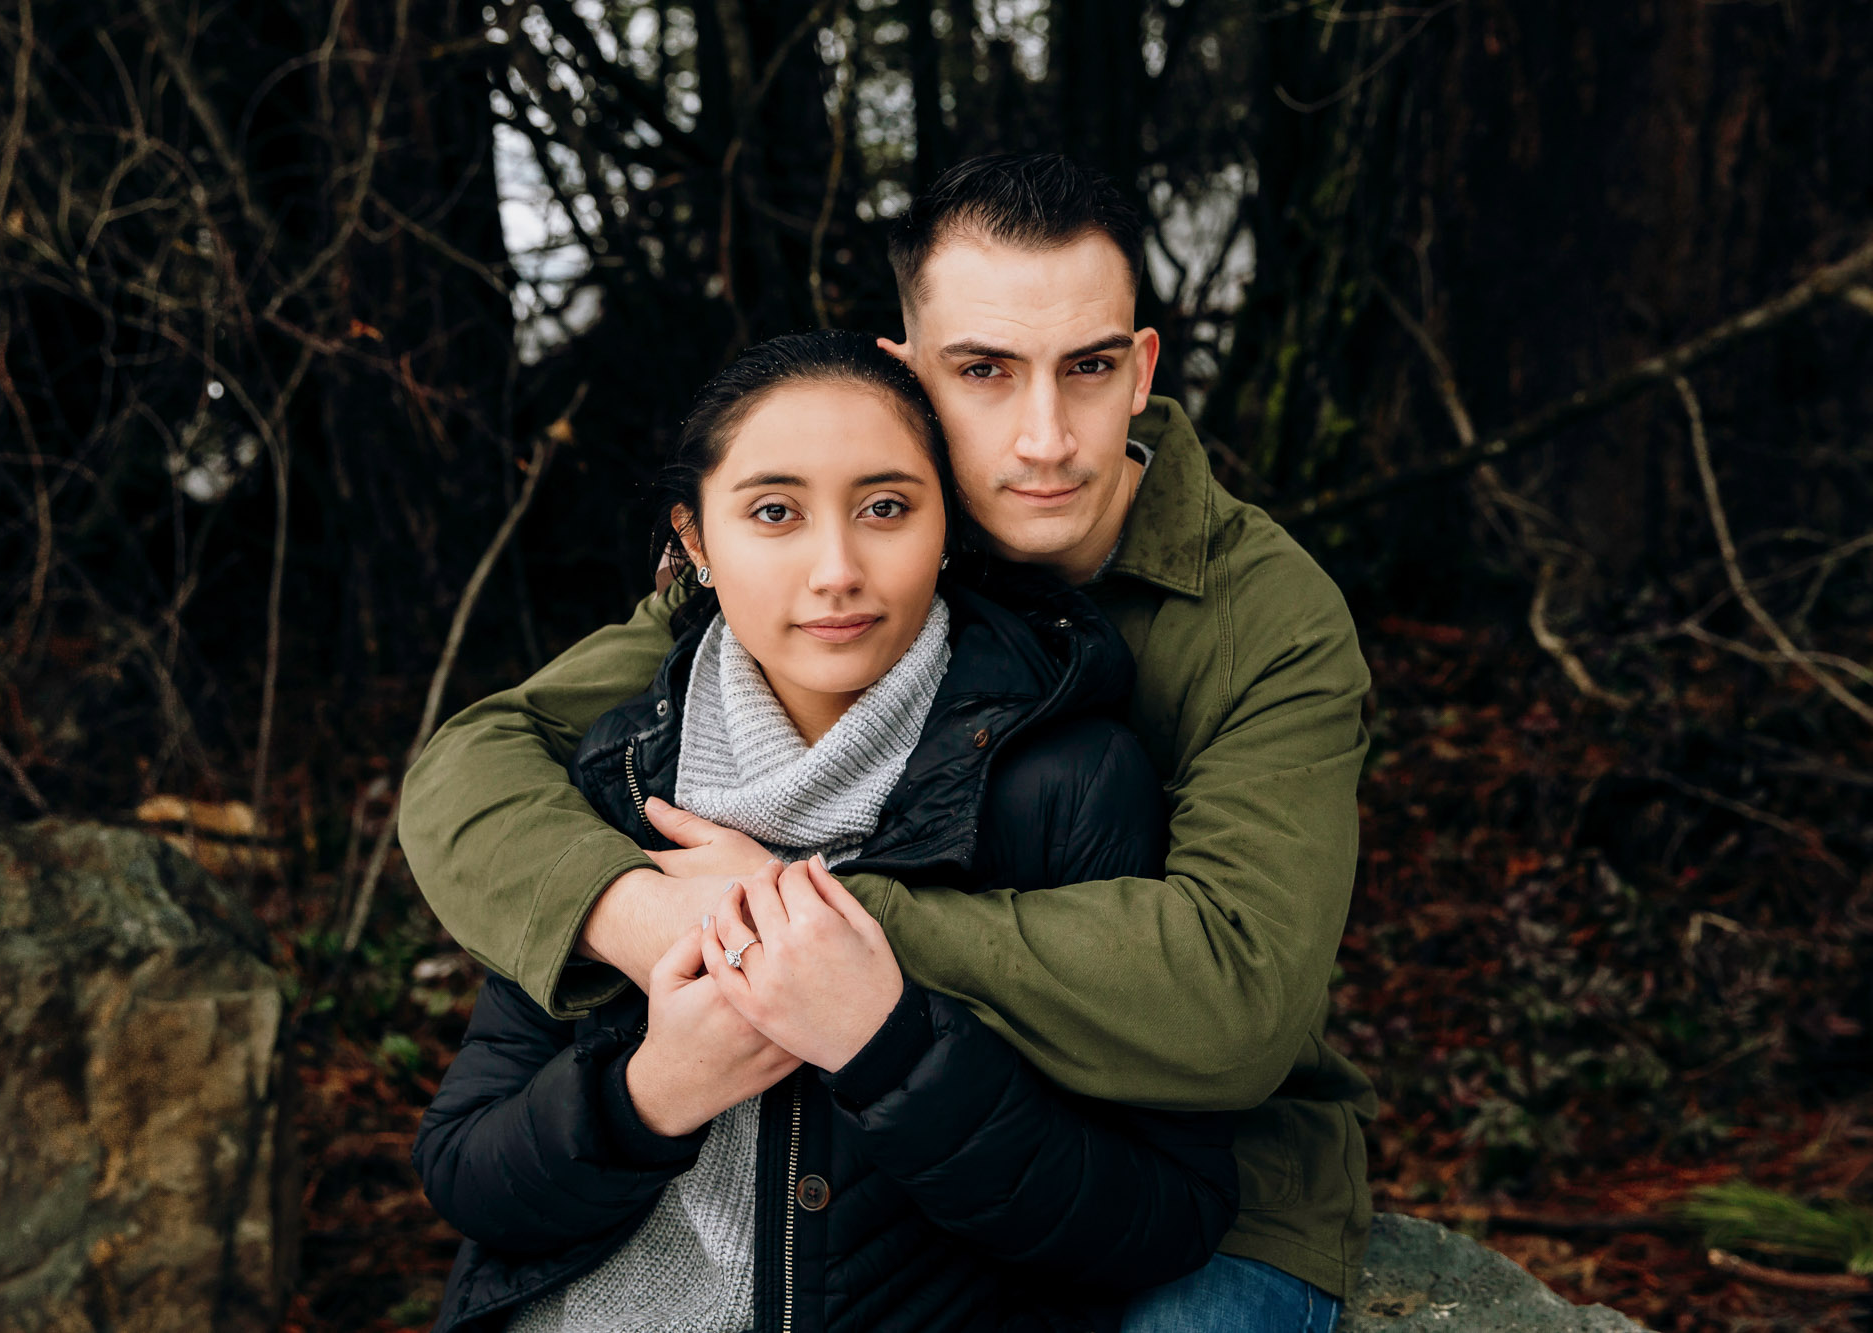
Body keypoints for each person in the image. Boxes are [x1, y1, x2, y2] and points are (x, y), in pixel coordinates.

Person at [401, 154, 1375, 1331]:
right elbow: (474, 764)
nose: (1044, 437)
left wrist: (796, 918)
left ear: (1141, 368)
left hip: (1200, 1153)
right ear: (906, 373)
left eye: (1088, 367)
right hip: (876, 1164)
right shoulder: (866, 540)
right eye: (983, 372)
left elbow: (1238, 997)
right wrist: (648, 913)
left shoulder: (1269, 615)